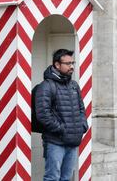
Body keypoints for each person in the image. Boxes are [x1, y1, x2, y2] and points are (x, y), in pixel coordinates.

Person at [35, 49, 88, 181]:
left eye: (73, 63)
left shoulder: (74, 85)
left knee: (66, 178)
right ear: (57, 65)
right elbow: (43, 114)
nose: (71, 66)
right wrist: (61, 129)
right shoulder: (46, 86)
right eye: (68, 63)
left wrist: (82, 126)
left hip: (72, 141)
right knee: (52, 177)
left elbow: (81, 109)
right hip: (55, 141)